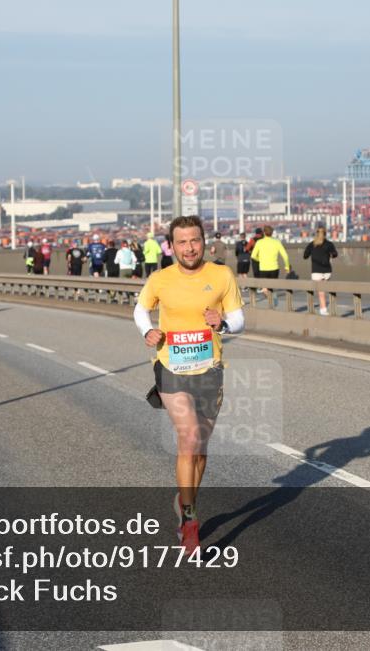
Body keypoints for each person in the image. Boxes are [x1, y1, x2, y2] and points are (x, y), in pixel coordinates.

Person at [133, 215, 244, 552]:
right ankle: (191, 518)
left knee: (200, 451)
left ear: (204, 242)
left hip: (209, 369)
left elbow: (240, 319)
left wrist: (222, 322)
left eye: (194, 240)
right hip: (171, 366)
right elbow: (140, 310)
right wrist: (148, 331)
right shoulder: (160, 279)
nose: (189, 247)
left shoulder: (221, 275)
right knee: (189, 436)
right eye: (182, 242)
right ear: (171, 246)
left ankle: (183, 500)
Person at [250, 225, 291, 307]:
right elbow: (285, 255)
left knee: (264, 288)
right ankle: (272, 301)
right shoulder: (277, 242)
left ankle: (271, 299)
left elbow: (253, 256)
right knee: (271, 287)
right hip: (274, 268)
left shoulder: (259, 242)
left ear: (264, 233)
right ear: (272, 233)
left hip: (263, 268)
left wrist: (260, 260)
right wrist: (287, 267)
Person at [303, 226, 338, 315]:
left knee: (321, 291)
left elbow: (305, 256)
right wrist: (330, 255)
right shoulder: (329, 244)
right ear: (325, 234)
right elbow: (335, 254)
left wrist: (312, 254)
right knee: (324, 290)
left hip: (316, 271)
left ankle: (323, 309)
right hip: (327, 270)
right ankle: (324, 308)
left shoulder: (312, 244)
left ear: (316, 234)